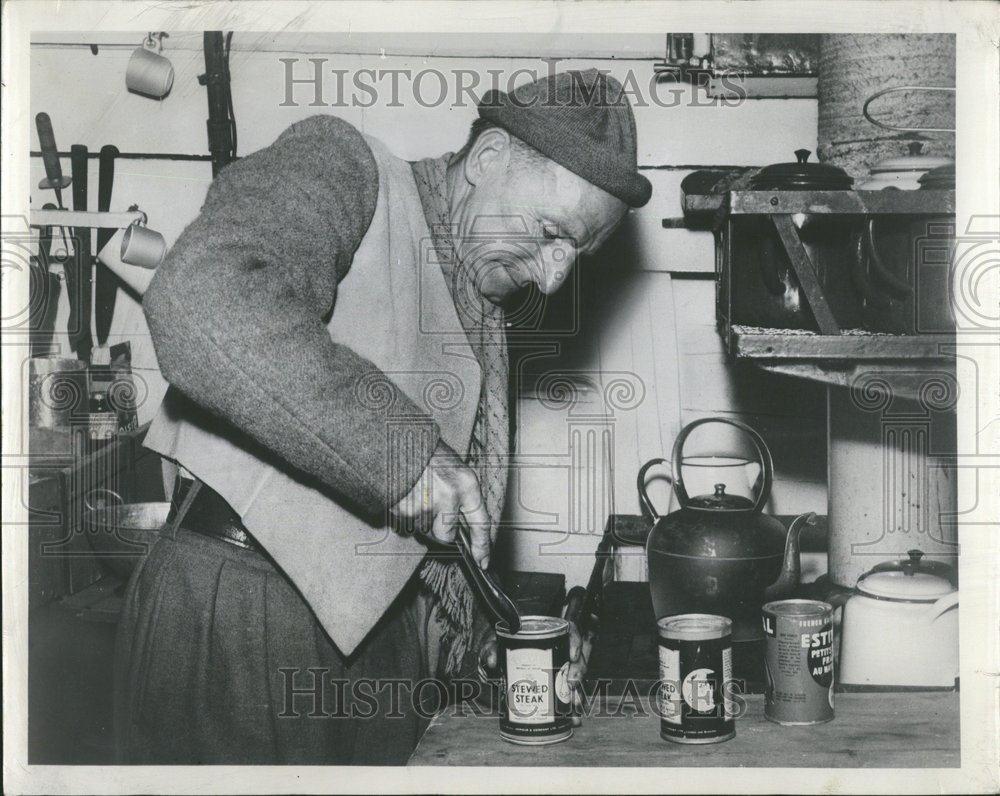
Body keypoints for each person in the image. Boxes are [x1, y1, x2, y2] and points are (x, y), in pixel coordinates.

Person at [114, 68, 651, 764]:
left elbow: (402, 565)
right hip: (237, 621)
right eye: (553, 232)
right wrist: (407, 454)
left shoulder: (480, 313)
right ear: (488, 159)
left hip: (377, 662)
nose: (553, 278)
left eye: (577, 253)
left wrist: (488, 648)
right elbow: (200, 297)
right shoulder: (344, 164)